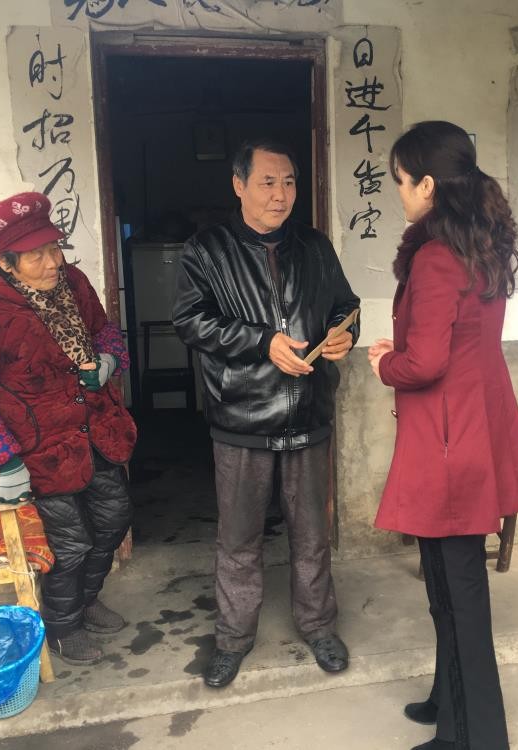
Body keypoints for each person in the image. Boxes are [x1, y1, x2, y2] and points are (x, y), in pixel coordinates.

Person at [368, 121, 518, 750]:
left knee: (459, 593)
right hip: (470, 430)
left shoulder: (438, 256)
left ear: (428, 185)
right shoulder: (477, 244)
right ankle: (449, 701)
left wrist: (384, 362)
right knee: (445, 584)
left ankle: (475, 737)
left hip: (448, 442)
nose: (398, 192)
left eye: (401, 181)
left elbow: (426, 363)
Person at [172, 139, 360, 688]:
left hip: (309, 413)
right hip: (242, 417)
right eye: (268, 183)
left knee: (312, 534)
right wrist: (262, 342)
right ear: (239, 185)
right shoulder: (207, 250)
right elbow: (190, 321)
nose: (281, 195)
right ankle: (232, 638)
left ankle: (319, 626)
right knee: (238, 539)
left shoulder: (314, 246)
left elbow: (345, 305)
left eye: (289, 183)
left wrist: (344, 335)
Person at [0, 192, 137, 666]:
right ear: (6, 263)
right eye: (37, 256)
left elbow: (105, 331)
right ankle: (62, 627)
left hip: (97, 433)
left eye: (55, 248)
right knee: (69, 545)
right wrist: (5, 462)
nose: (54, 262)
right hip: (39, 451)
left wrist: (108, 361)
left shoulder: (75, 283)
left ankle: (85, 601)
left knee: (114, 519)